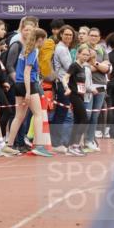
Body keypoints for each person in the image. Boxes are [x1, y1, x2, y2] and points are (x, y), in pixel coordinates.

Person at [4, 27, 52, 157]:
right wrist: (28, 92)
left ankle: (9, 145)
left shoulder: (25, 49)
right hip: (28, 84)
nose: (45, 42)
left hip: (18, 84)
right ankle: (39, 146)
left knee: (19, 116)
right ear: (40, 39)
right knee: (38, 114)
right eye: (45, 39)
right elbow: (27, 72)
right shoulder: (34, 50)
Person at [62, 42, 94, 155]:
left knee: (77, 121)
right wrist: (67, 88)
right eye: (83, 54)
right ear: (78, 54)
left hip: (80, 95)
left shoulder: (83, 67)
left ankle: (71, 146)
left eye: (87, 55)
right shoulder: (74, 65)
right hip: (74, 95)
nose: (85, 57)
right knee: (84, 119)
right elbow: (65, 78)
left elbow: (81, 84)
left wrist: (89, 90)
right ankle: (75, 145)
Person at [50, 24, 77, 152]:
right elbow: (69, 67)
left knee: (62, 113)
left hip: (63, 83)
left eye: (70, 35)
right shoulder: (61, 49)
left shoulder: (64, 48)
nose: (68, 37)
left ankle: (57, 142)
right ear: (61, 35)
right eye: (66, 34)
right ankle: (56, 144)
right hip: (62, 84)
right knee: (61, 114)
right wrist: (81, 66)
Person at [84, 27, 110, 151]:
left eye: (96, 36)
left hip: (101, 86)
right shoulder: (83, 48)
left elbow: (107, 68)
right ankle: (82, 139)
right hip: (87, 86)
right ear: (88, 36)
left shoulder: (102, 49)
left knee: (95, 115)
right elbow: (84, 67)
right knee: (87, 114)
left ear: (99, 38)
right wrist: (99, 66)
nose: (94, 37)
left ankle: (90, 140)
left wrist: (94, 64)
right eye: (92, 35)